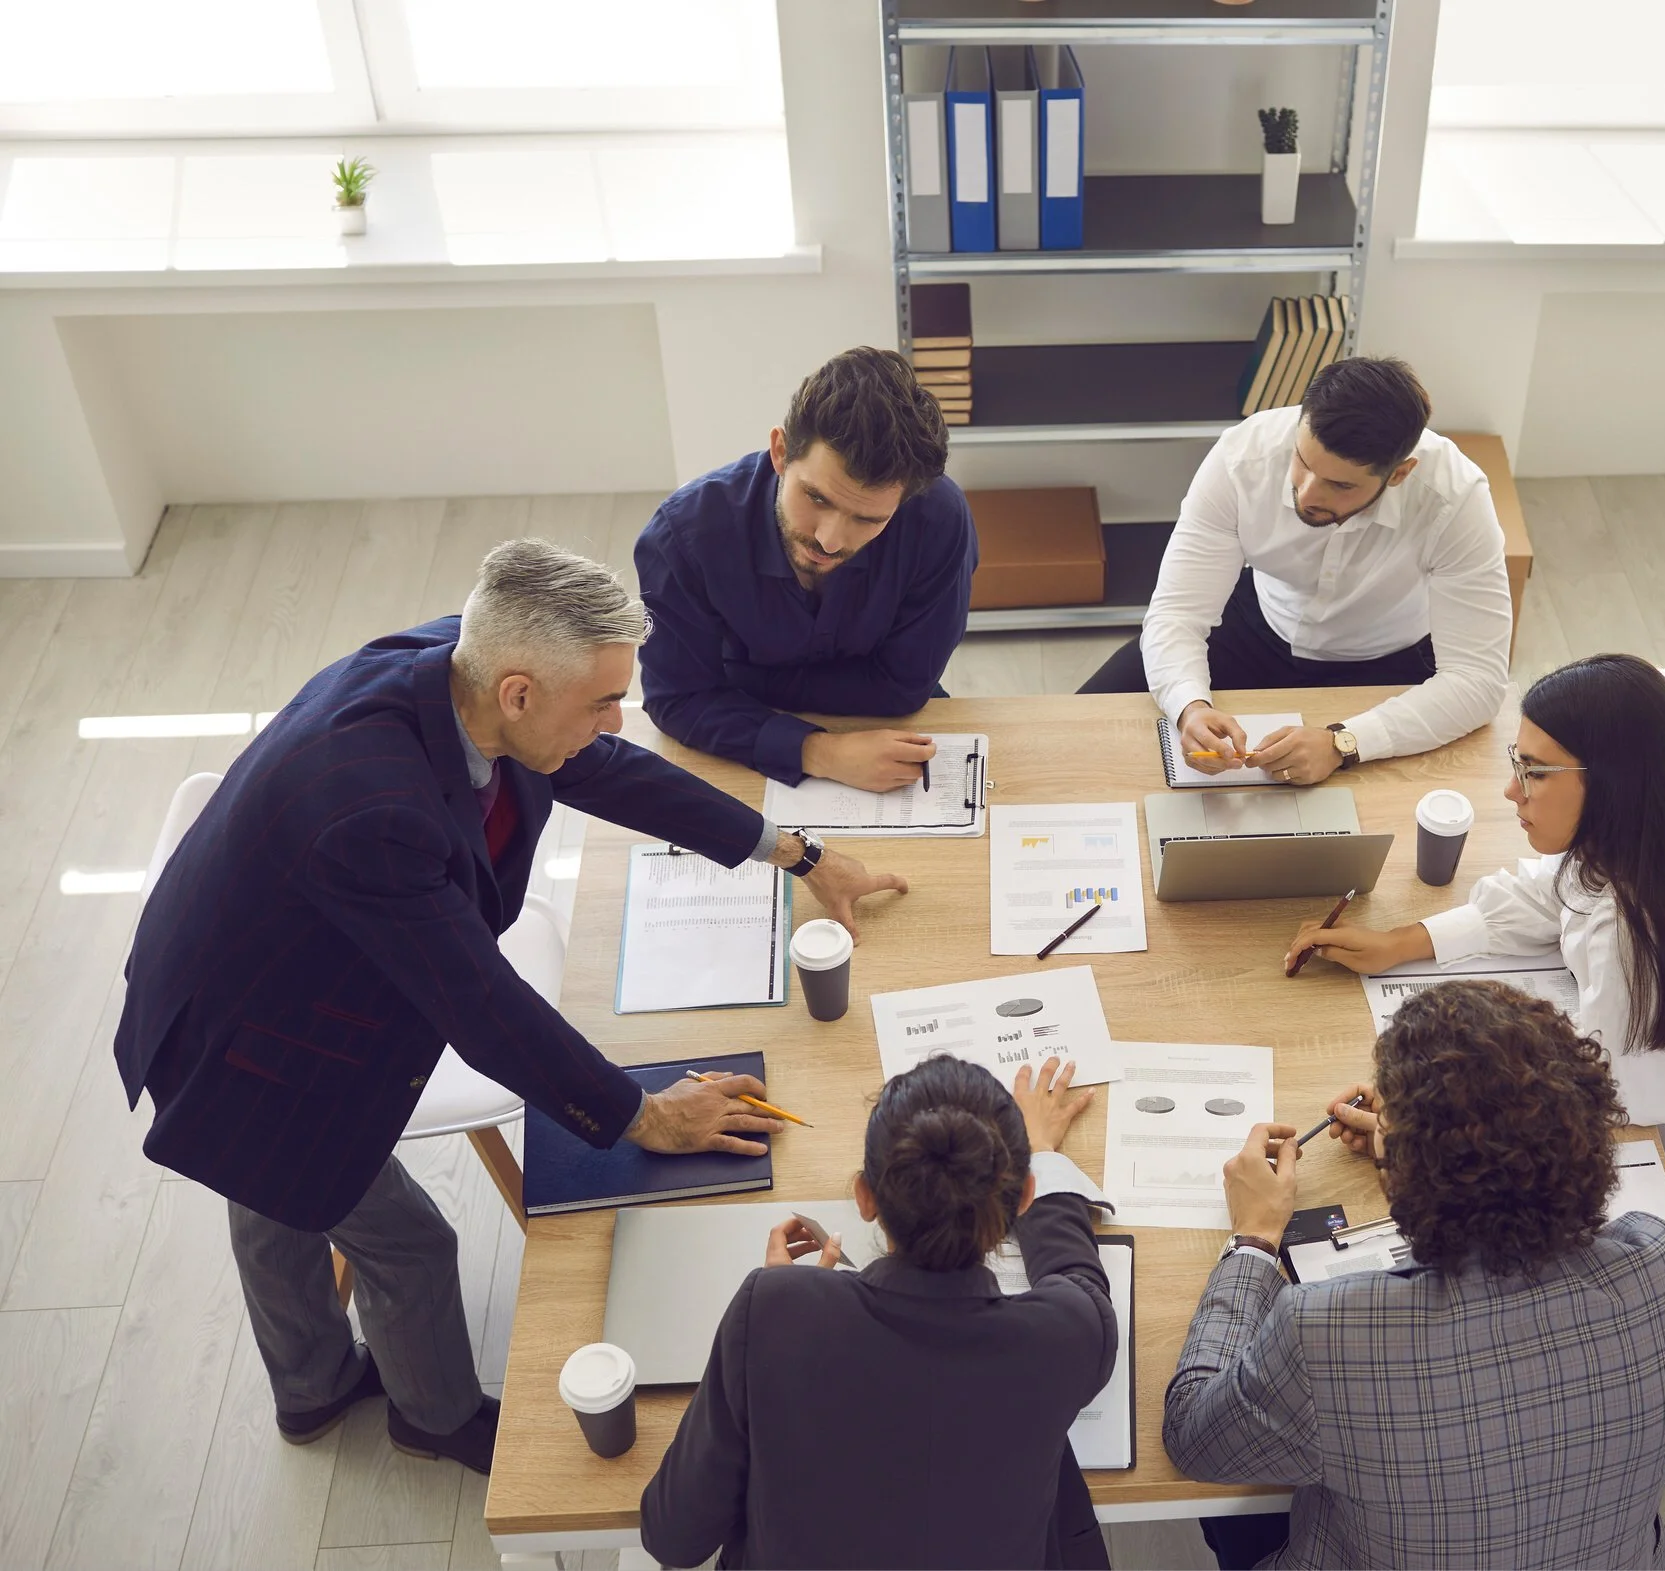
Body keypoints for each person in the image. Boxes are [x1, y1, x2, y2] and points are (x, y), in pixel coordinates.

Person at [114, 539, 909, 1473]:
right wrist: (642, 1115)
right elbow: (483, 1008)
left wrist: (801, 854)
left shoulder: (467, 668)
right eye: (603, 702)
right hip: (252, 1044)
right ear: (522, 692)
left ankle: (311, 1388)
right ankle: (435, 1414)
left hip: (265, 955)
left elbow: (616, 773)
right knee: (403, 1238)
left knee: (270, 1201)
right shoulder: (374, 811)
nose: (619, 718)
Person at [1284, 654, 1665, 1253]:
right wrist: (1400, 943)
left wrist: (1426, 1128)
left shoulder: (1645, 932)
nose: (1511, 790)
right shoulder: (1662, 839)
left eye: (1534, 772)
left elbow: (1613, 1103)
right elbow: (1546, 892)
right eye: (1515, 763)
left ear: (1608, 783)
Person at [1163, 980, 1665, 1570]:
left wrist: (1254, 1239)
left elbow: (1195, 1436)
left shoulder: (1326, 1335)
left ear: (1401, 1177)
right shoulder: (1663, 1263)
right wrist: (1410, 1150)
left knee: (1236, 1504)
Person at [641, 1056, 1117, 1570]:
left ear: (865, 1197)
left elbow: (673, 1538)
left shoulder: (776, 1309)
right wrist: (1042, 1153)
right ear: (1025, 1195)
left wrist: (785, 1314)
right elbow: (1080, 1280)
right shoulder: (1068, 1336)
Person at [1078, 357, 1511, 787]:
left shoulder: (1455, 498)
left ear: (1399, 474)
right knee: (1079, 725)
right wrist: (1189, 705)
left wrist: (1345, 743)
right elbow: (1176, 613)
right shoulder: (1241, 458)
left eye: (1340, 485)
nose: (1306, 494)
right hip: (1253, 626)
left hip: (1386, 660)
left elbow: (1479, 680)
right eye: (1303, 461)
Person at [636, 345, 978, 792]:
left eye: (868, 519)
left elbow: (905, 689)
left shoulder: (938, 519)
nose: (829, 540)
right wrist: (818, 751)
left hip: (851, 724)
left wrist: (742, 681)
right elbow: (676, 701)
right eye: (816, 498)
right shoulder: (681, 537)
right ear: (780, 452)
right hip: (738, 749)